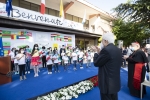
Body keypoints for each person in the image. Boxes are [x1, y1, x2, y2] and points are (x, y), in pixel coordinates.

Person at [92, 32, 122, 100]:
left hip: (107, 83)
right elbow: (108, 60)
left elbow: (96, 63)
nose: (101, 43)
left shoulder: (106, 50)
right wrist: (100, 53)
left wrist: (95, 53)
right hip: (114, 82)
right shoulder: (117, 49)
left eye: (102, 41)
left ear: (106, 41)